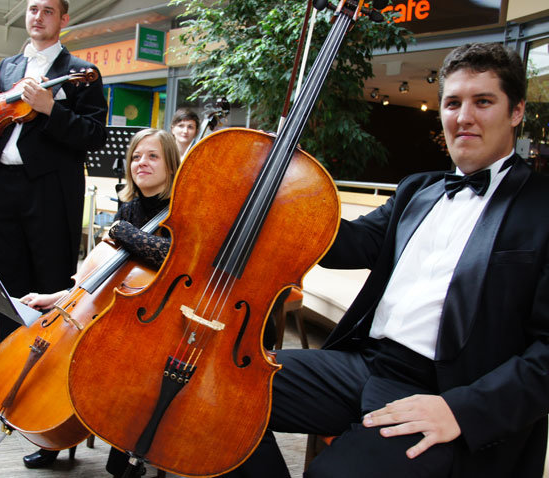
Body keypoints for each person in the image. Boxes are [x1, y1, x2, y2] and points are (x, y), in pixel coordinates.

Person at [221, 42, 549, 478]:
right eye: (452, 103)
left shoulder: (543, 206)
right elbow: (344, 244)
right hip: (365, 365)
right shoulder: (419, 190)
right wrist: (269, 202)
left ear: (516, 112)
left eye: (483, 102)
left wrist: (463, 410)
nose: (463, 117)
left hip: (445, 393)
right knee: (217, 389)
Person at [18, 128, 180, 469]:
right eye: (136, 156)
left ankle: (123, 446)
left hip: (156, 318)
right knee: (64, 349)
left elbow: (173, 257)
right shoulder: (129, 208)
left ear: (170, 164)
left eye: (152, 156)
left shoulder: (179, 211)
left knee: (105, 358)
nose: (142, 163)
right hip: (115, 307)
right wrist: (58, 297)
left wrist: (123, 232)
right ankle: (52, 437)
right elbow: (101, 274)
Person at [0, 0, 107, 364]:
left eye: (48, 11)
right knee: (6, 282)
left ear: (64, 19)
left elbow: (94, 134)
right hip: (3, 185)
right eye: (33, 9)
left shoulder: (80, 71)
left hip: (51, 191)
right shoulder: (9, 66)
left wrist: (51, 108)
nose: (38, 17)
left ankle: (43, 371)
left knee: (50, 278)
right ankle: (6, 366)